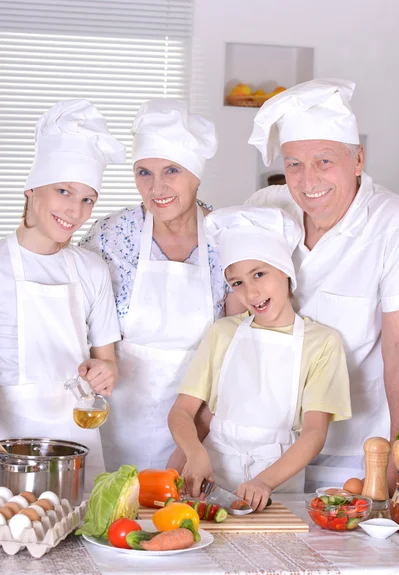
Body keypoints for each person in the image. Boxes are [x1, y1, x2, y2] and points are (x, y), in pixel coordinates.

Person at [245, 78, 399, 492]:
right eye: (293, 164)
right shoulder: (265, 208)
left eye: (324, 161)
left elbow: (397, 352)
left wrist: (396, 455)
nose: (307, 180)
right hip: (264, 446)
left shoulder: (390, 224)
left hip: (355, 451)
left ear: (357, 160)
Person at [80, 99, 241, 472]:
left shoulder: (228, 238)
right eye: (144, 172)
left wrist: (191, 444)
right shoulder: (110, 235)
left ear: (196, 174)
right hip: (113, 422)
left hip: (199, 425)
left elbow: (235, 351)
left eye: (171, 170)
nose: (157, 187)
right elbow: (79, 322)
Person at [168, 206, 351, 510]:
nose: (251, 293)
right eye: (237, 282)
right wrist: (194, 453)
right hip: (210, 479)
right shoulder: (222, 333)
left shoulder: (322, 344)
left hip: (278, 483)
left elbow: (315, 433)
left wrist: (265, 481)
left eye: (259, 274)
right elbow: (182, 412)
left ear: (286, 271)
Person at [0, 99, 125, 488]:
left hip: (76, 440)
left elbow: (108, 364)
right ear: (32, 189)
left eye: (88, 199)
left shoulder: (91, 269)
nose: (75, 211)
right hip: (8, 442)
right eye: (64, 191)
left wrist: (105, 374)